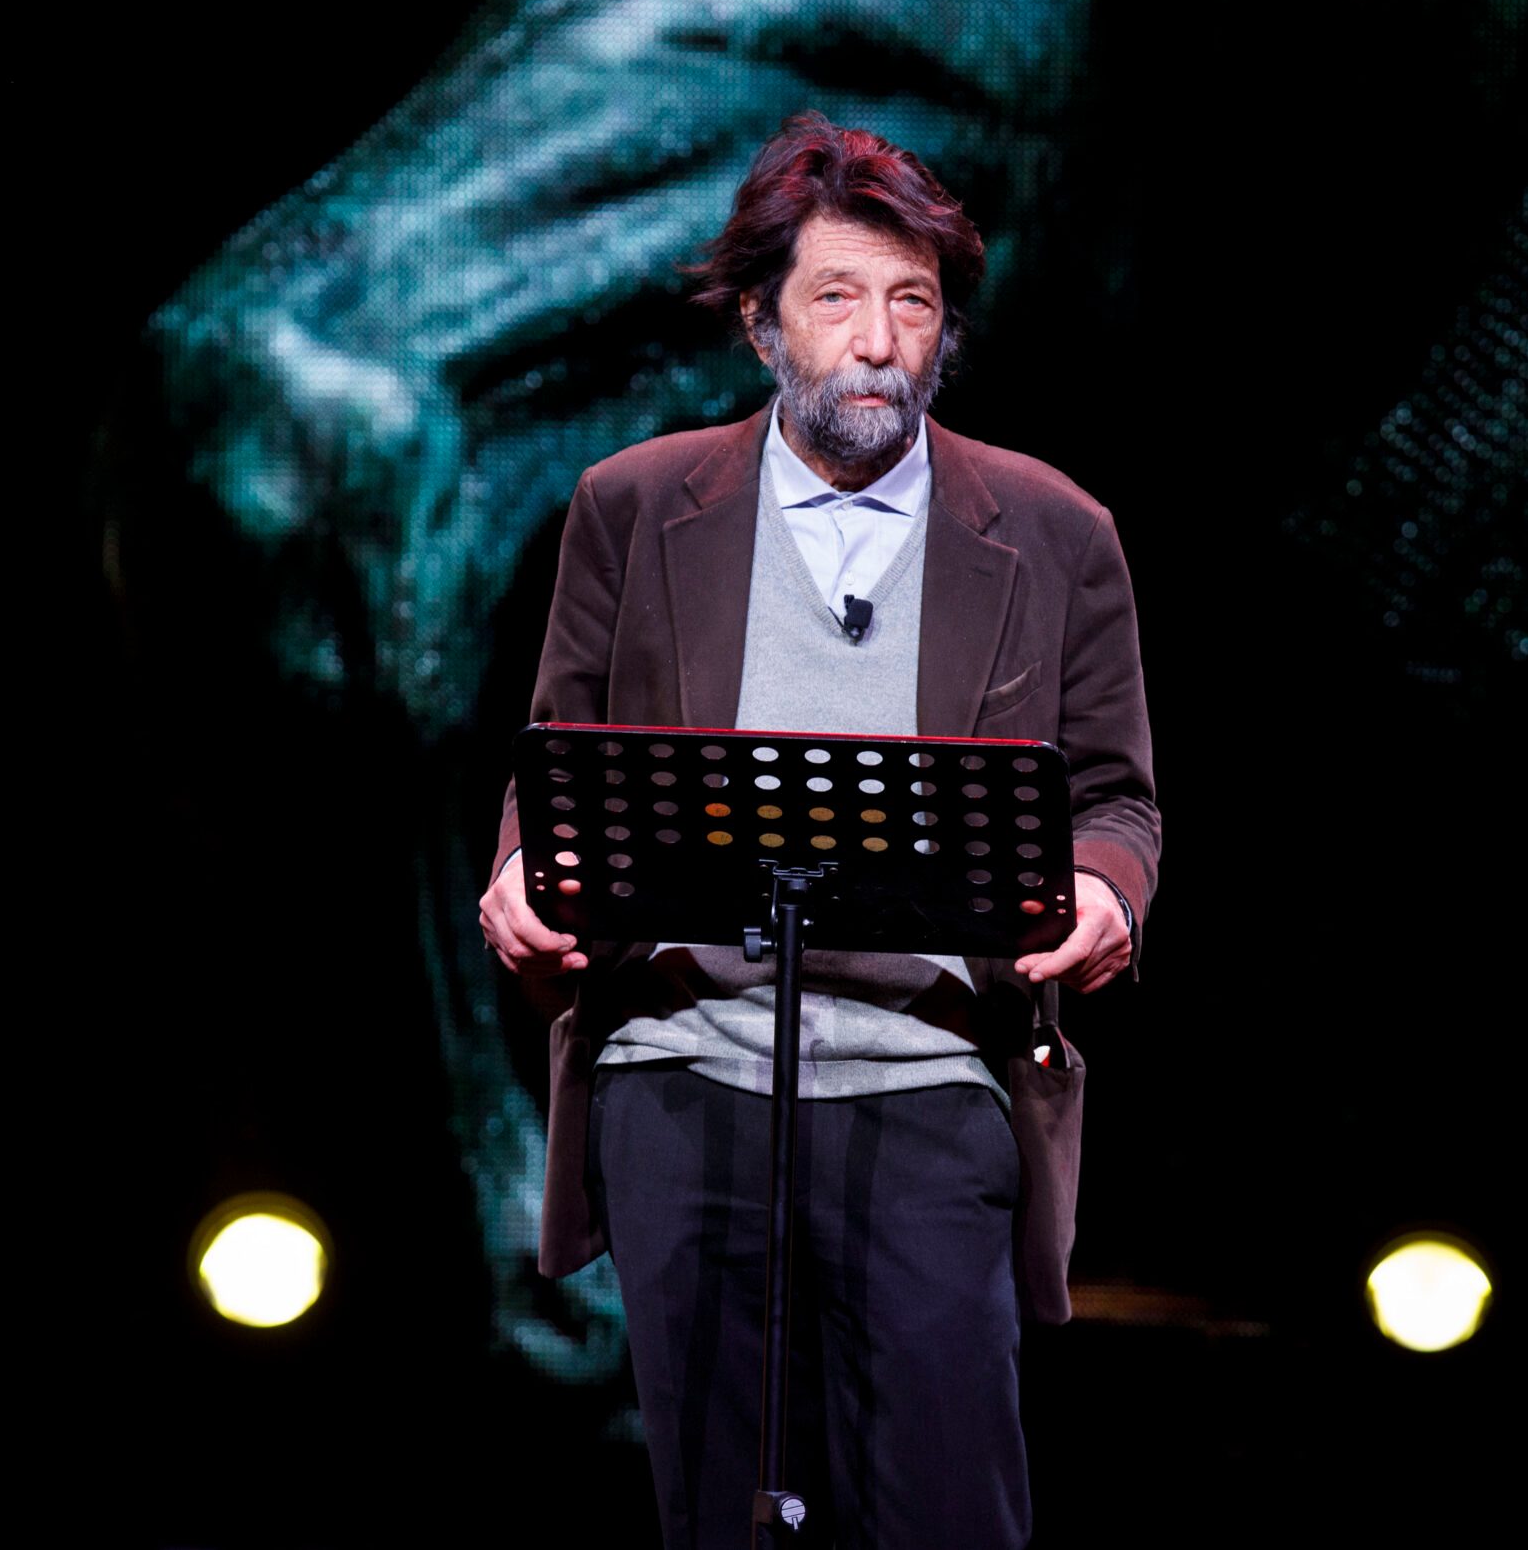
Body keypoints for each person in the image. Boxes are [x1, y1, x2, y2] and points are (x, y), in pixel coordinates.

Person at [477, 112, 1159, 1548]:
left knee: (947, 1511)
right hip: (683, 1069)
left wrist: (1104, 892)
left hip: (930, 1075)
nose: (878, 342)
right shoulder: (636, 506)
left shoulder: (1053, 531)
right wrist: (525, 873)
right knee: (721, 1512)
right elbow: (559, 762)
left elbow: (1115, 799)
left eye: (913, 304)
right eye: (838, 298)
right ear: (760, 323)